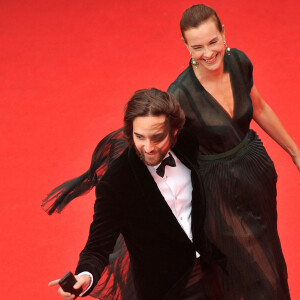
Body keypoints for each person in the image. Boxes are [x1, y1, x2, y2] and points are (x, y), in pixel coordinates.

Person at [167, 4, 299, 300]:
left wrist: (295, 152)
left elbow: (260, 108)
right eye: (197, 46)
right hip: (217, 189)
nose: (208, 53)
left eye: (213, 41)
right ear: (185, 46)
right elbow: (169, 153)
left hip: (255, 173)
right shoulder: (180, 94)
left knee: (269, 254)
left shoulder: (239, 62)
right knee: (250, 268)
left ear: (224, 33)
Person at [48, 88, 226, 300]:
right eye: (139, 137)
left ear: (175, 131)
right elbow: (97, 246)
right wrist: (85, 276)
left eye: (157, 137)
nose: (148, 148)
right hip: (164, 290)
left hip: (208, 271)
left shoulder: (188, 143)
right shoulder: (116, 183)